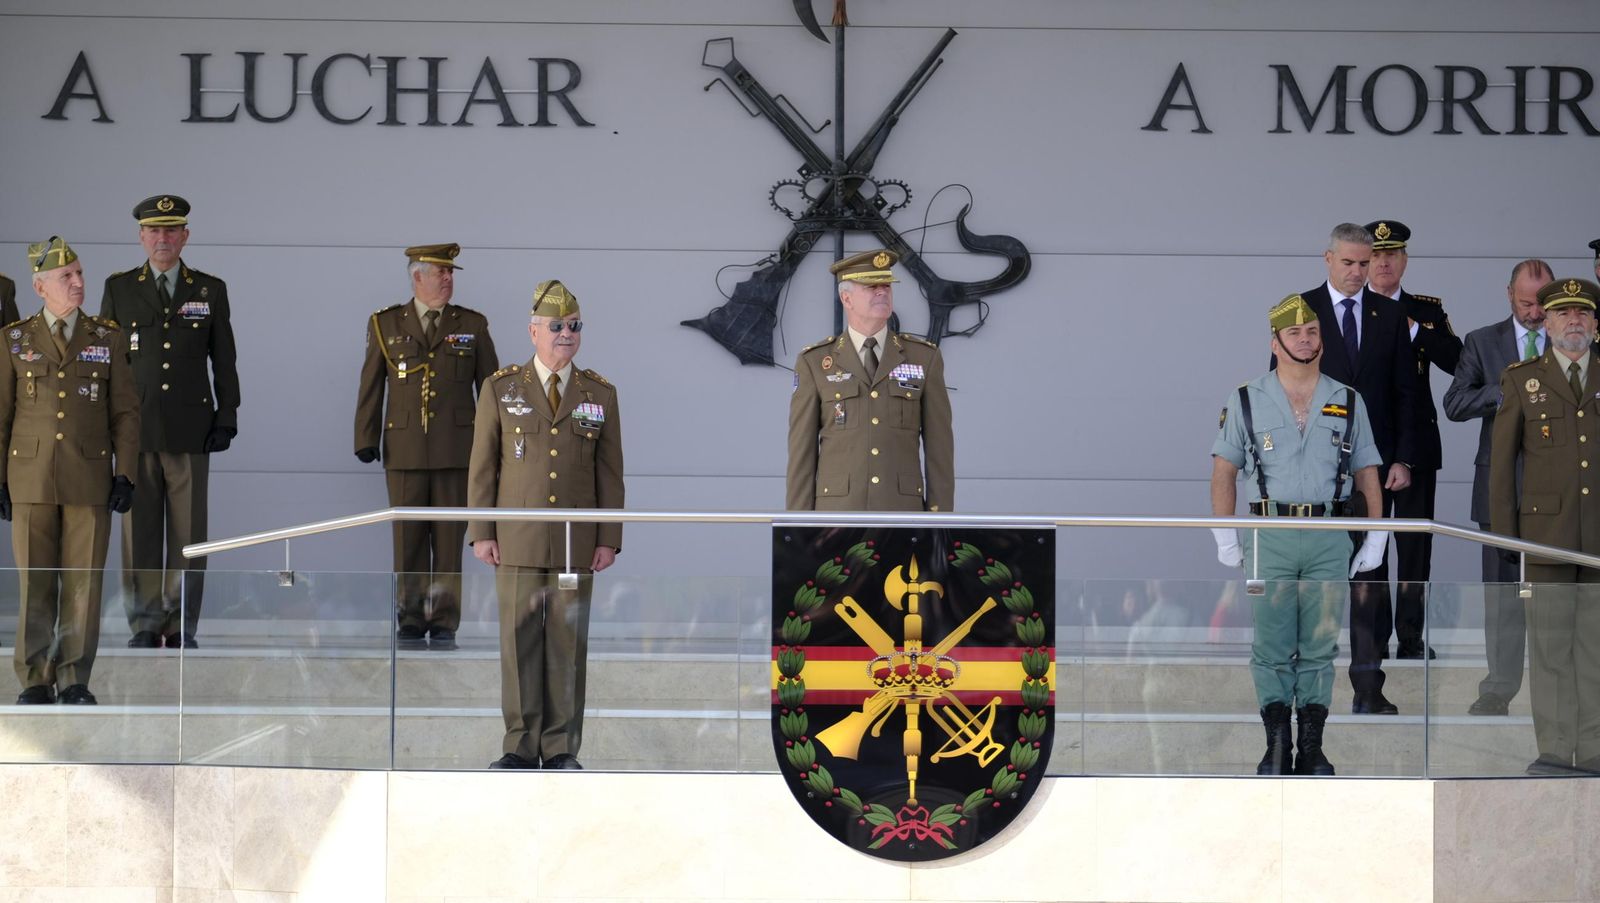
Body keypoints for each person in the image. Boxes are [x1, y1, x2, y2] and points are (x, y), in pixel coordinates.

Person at [1214, 293, 1384, 775]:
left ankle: (1311, 746)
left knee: (1321, 644)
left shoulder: (1347, 399)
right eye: (1294, 333)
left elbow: (1367, 470)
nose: (1305, 339)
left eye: (1312, 332)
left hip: (1329, 534)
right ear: (1276, 342)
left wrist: (1377, 536)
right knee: (1270, 645)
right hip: (1269, 534)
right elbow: (1224, 471)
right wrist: (1225, 534)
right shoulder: (1246, 398)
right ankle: (1276, 743)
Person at [469, 279, 622, 769]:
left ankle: (560, 748)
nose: (566, 334)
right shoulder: (501, 388)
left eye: (574, 326)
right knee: (518, 643)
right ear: (533, 331)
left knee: (567, 645)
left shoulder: (599, 392)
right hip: (516, 539)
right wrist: (482, 531)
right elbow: (483, 467)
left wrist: (609, 539)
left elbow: (609, 473)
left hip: (576, 543)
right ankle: (519, 744)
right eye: (556, 326)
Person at [1280, 222, 1417, 714]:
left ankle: (1367, 687)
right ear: (1328, 259)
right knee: (1308, 581)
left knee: (1369, 577)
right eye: (1349, 262)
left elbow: (1407, 392)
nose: (1359, 271)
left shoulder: (1390, 313)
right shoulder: (1300, 308)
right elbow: (1283, 387)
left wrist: (1402, 457)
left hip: (1372, 469)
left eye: (1365, 263)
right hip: (1313, 471)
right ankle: (1301, 689)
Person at [0, 238, 139, 705]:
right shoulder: (14, 340)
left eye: (79, 273)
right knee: (35, 583)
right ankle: (35, 679)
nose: (78, 282)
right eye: (66, 276)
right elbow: (2, 415)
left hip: (90, 476)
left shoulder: (106, 337)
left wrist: (126, 474)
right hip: (30, 478)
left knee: (83, 583)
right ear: (40, 286)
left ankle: (75, 677)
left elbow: (126, 413)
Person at [100, 195, 240, 649]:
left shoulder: (209, 289)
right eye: (154, 231)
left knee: (189, 535)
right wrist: (103, 422)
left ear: (185, 236)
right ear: (142, 237)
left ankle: (180, 623)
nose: (163, 239)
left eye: (171, 230)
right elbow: (105, 363)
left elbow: (224, 358)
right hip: (135, 429)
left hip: (190, 428)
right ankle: (144, 622)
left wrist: (227, 415)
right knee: (138, 532)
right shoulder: (120, 288)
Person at [355, 244, 498, 651]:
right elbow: (371, 385)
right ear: (417, 277)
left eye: (451, 273)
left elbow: (491, 390)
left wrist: (497, 446)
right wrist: (365, 437)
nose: (448, 279)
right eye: (440, 272)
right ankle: (410, 616)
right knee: (408, 540)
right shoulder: (386, 323)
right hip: (405, 449)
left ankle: (445, 618)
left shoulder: (472, 323)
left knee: (450, 542)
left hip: (457, 450)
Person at [1489, 277, 1600, 776]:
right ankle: (1555, 750)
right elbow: (1502, 465)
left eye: (1582, 313)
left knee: (1596, 651)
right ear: (1547, 323)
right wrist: (1504, 535)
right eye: (1563, 313)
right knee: (1551, 650)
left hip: (1599, 539)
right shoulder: (1522, 379)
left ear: (1595, 323)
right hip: (1545, 540)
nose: (1573, 321)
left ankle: (1594, 750)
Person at [1444, 258, 1552, 716]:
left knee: (1556, 595)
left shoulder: (1576, 340)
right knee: (1501, 594)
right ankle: (1499, 689)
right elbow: (1454, 403)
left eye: (1542, 304)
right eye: (1526, 303)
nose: (1535, 313)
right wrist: (1504, 392)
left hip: (1557, 489)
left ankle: (1554, 690)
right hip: (1499, 485)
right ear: (1509, 295)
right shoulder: (1482, 341)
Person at [786, 249, 953, 512]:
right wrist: (799, 524)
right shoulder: (815, 362)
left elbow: (939, 449)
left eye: (886, 286)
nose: (882, 292)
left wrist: (939, 521)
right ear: (846, 298)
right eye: (871, 287)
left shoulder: (923, 358)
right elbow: (801, 453)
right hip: (837, 515)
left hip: (902, 512)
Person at [1364, 220, 1462, 660]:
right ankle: (1373, 636)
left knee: (1415, 545)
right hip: (1366, 446)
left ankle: (1410, 635)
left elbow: (1458, 361)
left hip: (1417, 444)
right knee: (1370, 544)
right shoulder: (1354, 309)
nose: (1384, 263)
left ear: (1404, 260)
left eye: (1392, 254)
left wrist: (1414, 330)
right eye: (1376, 255)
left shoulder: (1426, 310)